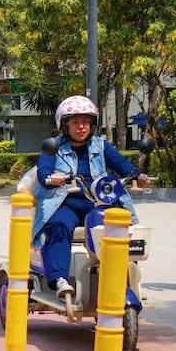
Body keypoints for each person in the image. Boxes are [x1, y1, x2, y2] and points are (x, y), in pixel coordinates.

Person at [32, 95, 148, 298]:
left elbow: (121, 165)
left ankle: (124, 274)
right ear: (64, 124)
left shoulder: (100, 146)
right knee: (60, 226)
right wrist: (51, 178)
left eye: (85, 122)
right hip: (66, 203)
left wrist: (137, 174)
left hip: (98, 202)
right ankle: (59, 279)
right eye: (75, 122)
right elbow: (43, 170)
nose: (81, 127)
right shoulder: (54, 147)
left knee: (121, 228)